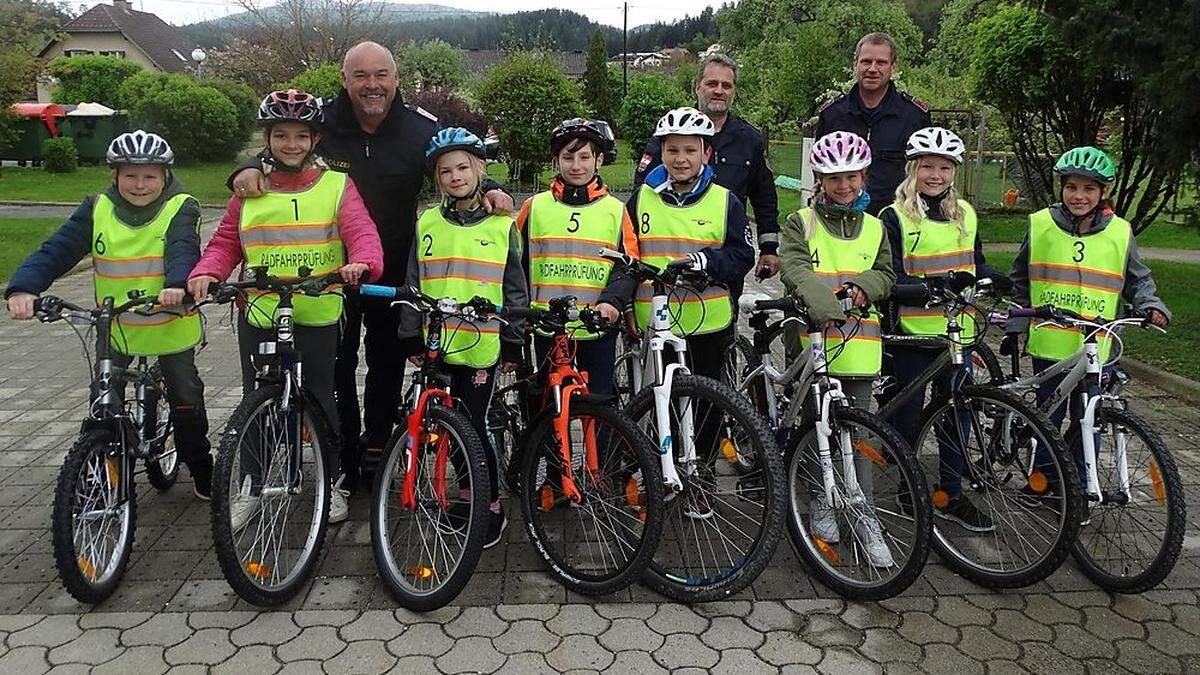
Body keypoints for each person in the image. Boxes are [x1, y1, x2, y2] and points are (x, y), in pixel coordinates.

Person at [227, 41, 513, 492]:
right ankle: (339, 453)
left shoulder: (418, 127)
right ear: (345, 80)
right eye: (361, 76)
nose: (372, 85)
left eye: (382, 74)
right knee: (335, 365)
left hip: (394, 269)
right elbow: (283, 138)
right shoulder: (324, 120)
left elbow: (455, 156)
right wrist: (246, 165)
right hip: (328, 272)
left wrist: (492, 186)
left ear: (396, 79)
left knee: (385, 360)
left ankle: (378, 444)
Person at [187, 90, 384, 526]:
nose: (290, 144)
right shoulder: (250, 188)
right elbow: (224, 242)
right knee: (255, 400)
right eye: (281, 135)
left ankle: (329, 484)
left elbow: (361, 231)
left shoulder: (337, 185)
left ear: (315, 138)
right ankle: (252, 484)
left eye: (300, 135)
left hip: (317, 310)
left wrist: (362, 261)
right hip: (259, 309)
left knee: (321, 398)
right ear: (268, 138)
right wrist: (208, 272)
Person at [5, 130, 213, 499]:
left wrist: (178, 283)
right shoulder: (97, 207)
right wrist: (24, 287)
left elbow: (183, 248)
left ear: (165, 177)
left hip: (169, 322)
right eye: (129, 175)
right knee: (104, 399)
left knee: (185, 396)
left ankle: (200, 467)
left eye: (149, 176)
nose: (139, 184)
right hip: (115, 326)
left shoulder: (182, 206)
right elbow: (58, 249)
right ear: (113, 176)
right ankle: (103, 470)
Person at [1006, 146, 1169, 508]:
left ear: (1103, 193)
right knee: (1048, 419)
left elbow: (1138, 279)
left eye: (1089, 189)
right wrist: (1017, 320)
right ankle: (1042, 481)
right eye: (1072, 188)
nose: (1079, 196)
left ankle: (1080, 484)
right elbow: (1020, 277)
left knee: (1090, 419)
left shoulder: (1120, 233)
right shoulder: (1041, 224)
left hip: (1099, 346)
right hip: (1050, 344)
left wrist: (1151, 305)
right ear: (1061, 188)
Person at [397, 127, 529, 549]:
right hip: (438, 346)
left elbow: (515, 288)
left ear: (480, 170)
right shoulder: (426, 223)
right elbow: (412, 281)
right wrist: (410, 336)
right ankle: (468, 493)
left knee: (474, 427)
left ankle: (489, 505)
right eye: (445, 171)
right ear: (437, 178)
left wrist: (513, 340)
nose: (455, 177)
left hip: (481, 345)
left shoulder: (503, 224)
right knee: (448, 427)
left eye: (463, 167)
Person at [778, 130, 896, 567]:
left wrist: (865, 286)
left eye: (851, 177)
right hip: (813, 341)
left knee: (858, 435)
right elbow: (793, 267)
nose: (843, 186)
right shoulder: (801, 223)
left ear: (863, 177)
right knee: (817, 429)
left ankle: (863, 513)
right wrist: (823, 303)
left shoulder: (877, 226)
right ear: (819, 180)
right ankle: (821, 498)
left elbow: (885, 272)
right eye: (833, 178)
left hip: (860, 347)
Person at [878, 126, 1005, 533]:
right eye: (927, 166)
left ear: (954, 171)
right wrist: (928, 289)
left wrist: (995, 279)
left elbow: (975, 263)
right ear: (912, 169)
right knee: (910, 414)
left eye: (944, 167)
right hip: (914, 334)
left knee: (959, 410)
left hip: (958, 334)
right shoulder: (893, 216)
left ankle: (951, 492)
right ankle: (907, 483)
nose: (935, 175)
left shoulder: (965, 213)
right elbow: (890, 278)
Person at [597, 107, 755, 386]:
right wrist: (628, 308)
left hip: (708, 325)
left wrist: (707, 262)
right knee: (660, 409)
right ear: (662, 152)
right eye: (672, 150)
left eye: (690, 151)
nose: (681, 159)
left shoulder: (726, 202)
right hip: (656, 323)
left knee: (709, 410)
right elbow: (627, 258)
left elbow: (742, 256)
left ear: (706, 153)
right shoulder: (640, 199)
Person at [633, 52, 780, 280]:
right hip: (669, 256)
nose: (719, 90)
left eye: (726, 85)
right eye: (711, 83)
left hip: (726, 257)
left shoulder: (750, 140)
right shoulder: (670, 134)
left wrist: (769, 248)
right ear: (697, 87)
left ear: (733, 91)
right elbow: (641, 194)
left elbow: (765, 197)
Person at [517, 118, 637, 396]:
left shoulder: (616, 210)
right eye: (568, 157)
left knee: (599, 411)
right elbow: (517, 265)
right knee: (546, 409)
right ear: (556, 160)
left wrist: (612, 302)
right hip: (547, 328)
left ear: (599, 160)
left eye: (585, 157)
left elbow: (628, 267)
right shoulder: (533, 207)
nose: (576, 165)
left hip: (596, 328)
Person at [815, 32, 932, 216]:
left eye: (881, 62)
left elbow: (925, 170)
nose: (872, 68)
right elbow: (820, 168)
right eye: (866, 61)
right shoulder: (832, 114)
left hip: (896, 219)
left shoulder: (914, 115)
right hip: (841, 218)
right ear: (855, 63)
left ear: (893, 67)